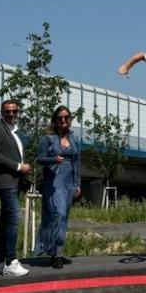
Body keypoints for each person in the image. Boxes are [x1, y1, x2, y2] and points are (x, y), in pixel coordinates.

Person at [0, 99, 31, 277]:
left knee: (5, 222)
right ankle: (11, 262)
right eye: (7, 112)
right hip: (4, 182)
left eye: (14, 111)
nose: (11, 114)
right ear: (1, 112)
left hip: (14, 182)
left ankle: (0, 263)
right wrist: (19, 167)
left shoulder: (15, 132)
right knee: (13, 218)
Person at [35, 106, 81, 269]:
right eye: (60, 117)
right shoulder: (48, 138)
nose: (63, 120)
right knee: (58, 214)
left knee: (63, 218)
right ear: (55, 120)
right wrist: (53, 159)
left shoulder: (74, 138)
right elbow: (39, 159)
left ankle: (58, 250)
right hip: (54, 181)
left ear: (70, 119)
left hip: (69, 182)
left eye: (66, 117)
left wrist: (77, 184)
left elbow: (77, 162)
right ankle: (57, 255)